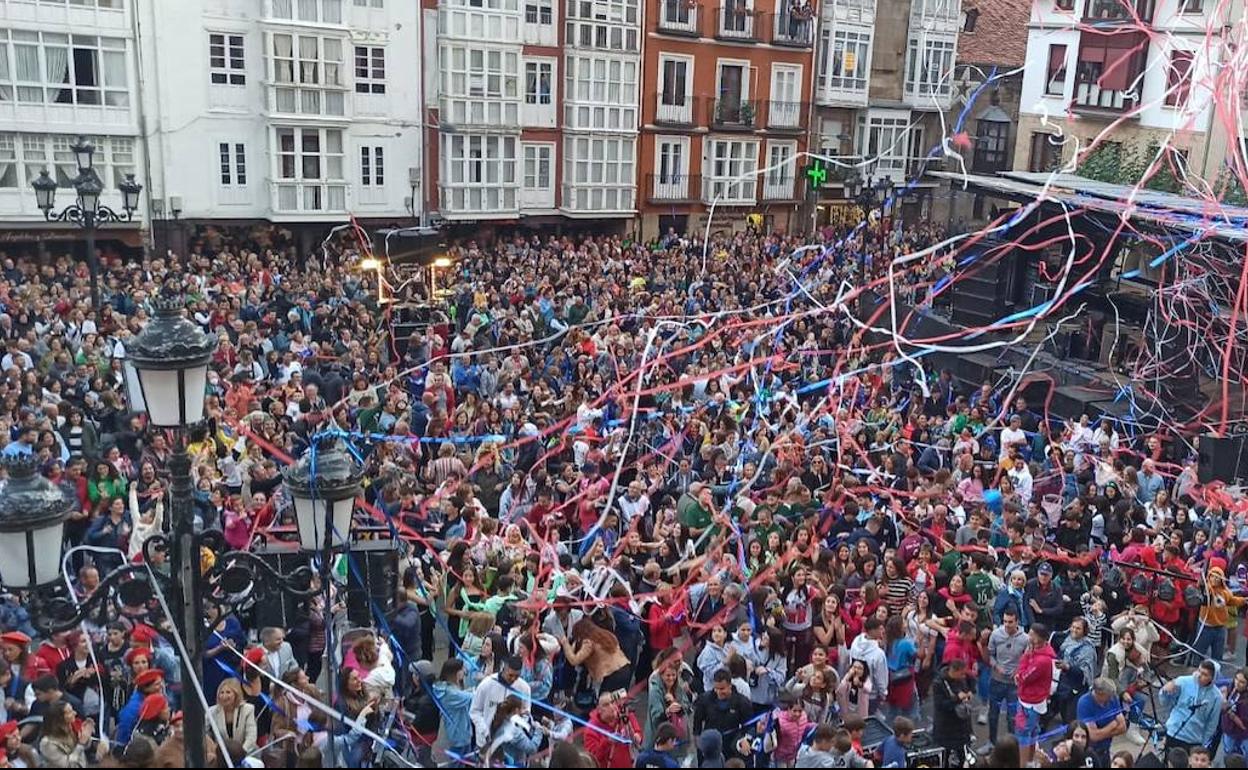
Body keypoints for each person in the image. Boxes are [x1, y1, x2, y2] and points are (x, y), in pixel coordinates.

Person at [1160, 659, 1223, 754]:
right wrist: (1165, 692)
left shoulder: (1217, 697)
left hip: (1194, 740)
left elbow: (1212, 723)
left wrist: (1203, 742)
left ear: (1212, 678)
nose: (1199, 676)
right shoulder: (1182, 681)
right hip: (1174, 732)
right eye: (1199, 671)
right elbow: (1165, 703)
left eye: (1205, 674)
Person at [469, 656, 531, 751]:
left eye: (517, 676)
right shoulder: (486, 684)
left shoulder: (524, 688)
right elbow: (474, 711)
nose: (513, 679)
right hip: (486, 743)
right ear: (504, 668)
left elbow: (526, 713)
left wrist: (516, 729)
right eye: (510, 675)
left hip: (512, 746)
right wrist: (484, 730)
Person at [692, 670, 752, 761]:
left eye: (722, 689)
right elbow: (697, 721)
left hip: (732, 746)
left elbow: (749, 726)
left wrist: (746, 739)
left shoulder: (742, 702)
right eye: (716, 688)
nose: (719, 692)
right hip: (710, 747)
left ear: (730, 686)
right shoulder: (705, 700)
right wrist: (697, 739)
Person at [1077, 677, 1128, 766]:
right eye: (1108, 696)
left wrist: (1102, 732)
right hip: (1091, 753)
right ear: (1099, 694)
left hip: (1106, 750)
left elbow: (1123, 727)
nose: (1111, 698)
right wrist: (1112, 725)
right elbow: (1093, 736)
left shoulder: (1113, 698)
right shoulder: (1084, 703)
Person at [932, 658, 974, 766]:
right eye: (961, 674)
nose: (963, 677)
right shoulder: (938, 683)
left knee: (962, 756)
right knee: (945, 756)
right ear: (954, 671)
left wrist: (969, 693)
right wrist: (956, 698)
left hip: (961, 727)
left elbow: (970, 682)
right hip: (946, 727)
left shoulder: (960, 679)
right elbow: (940, 705)